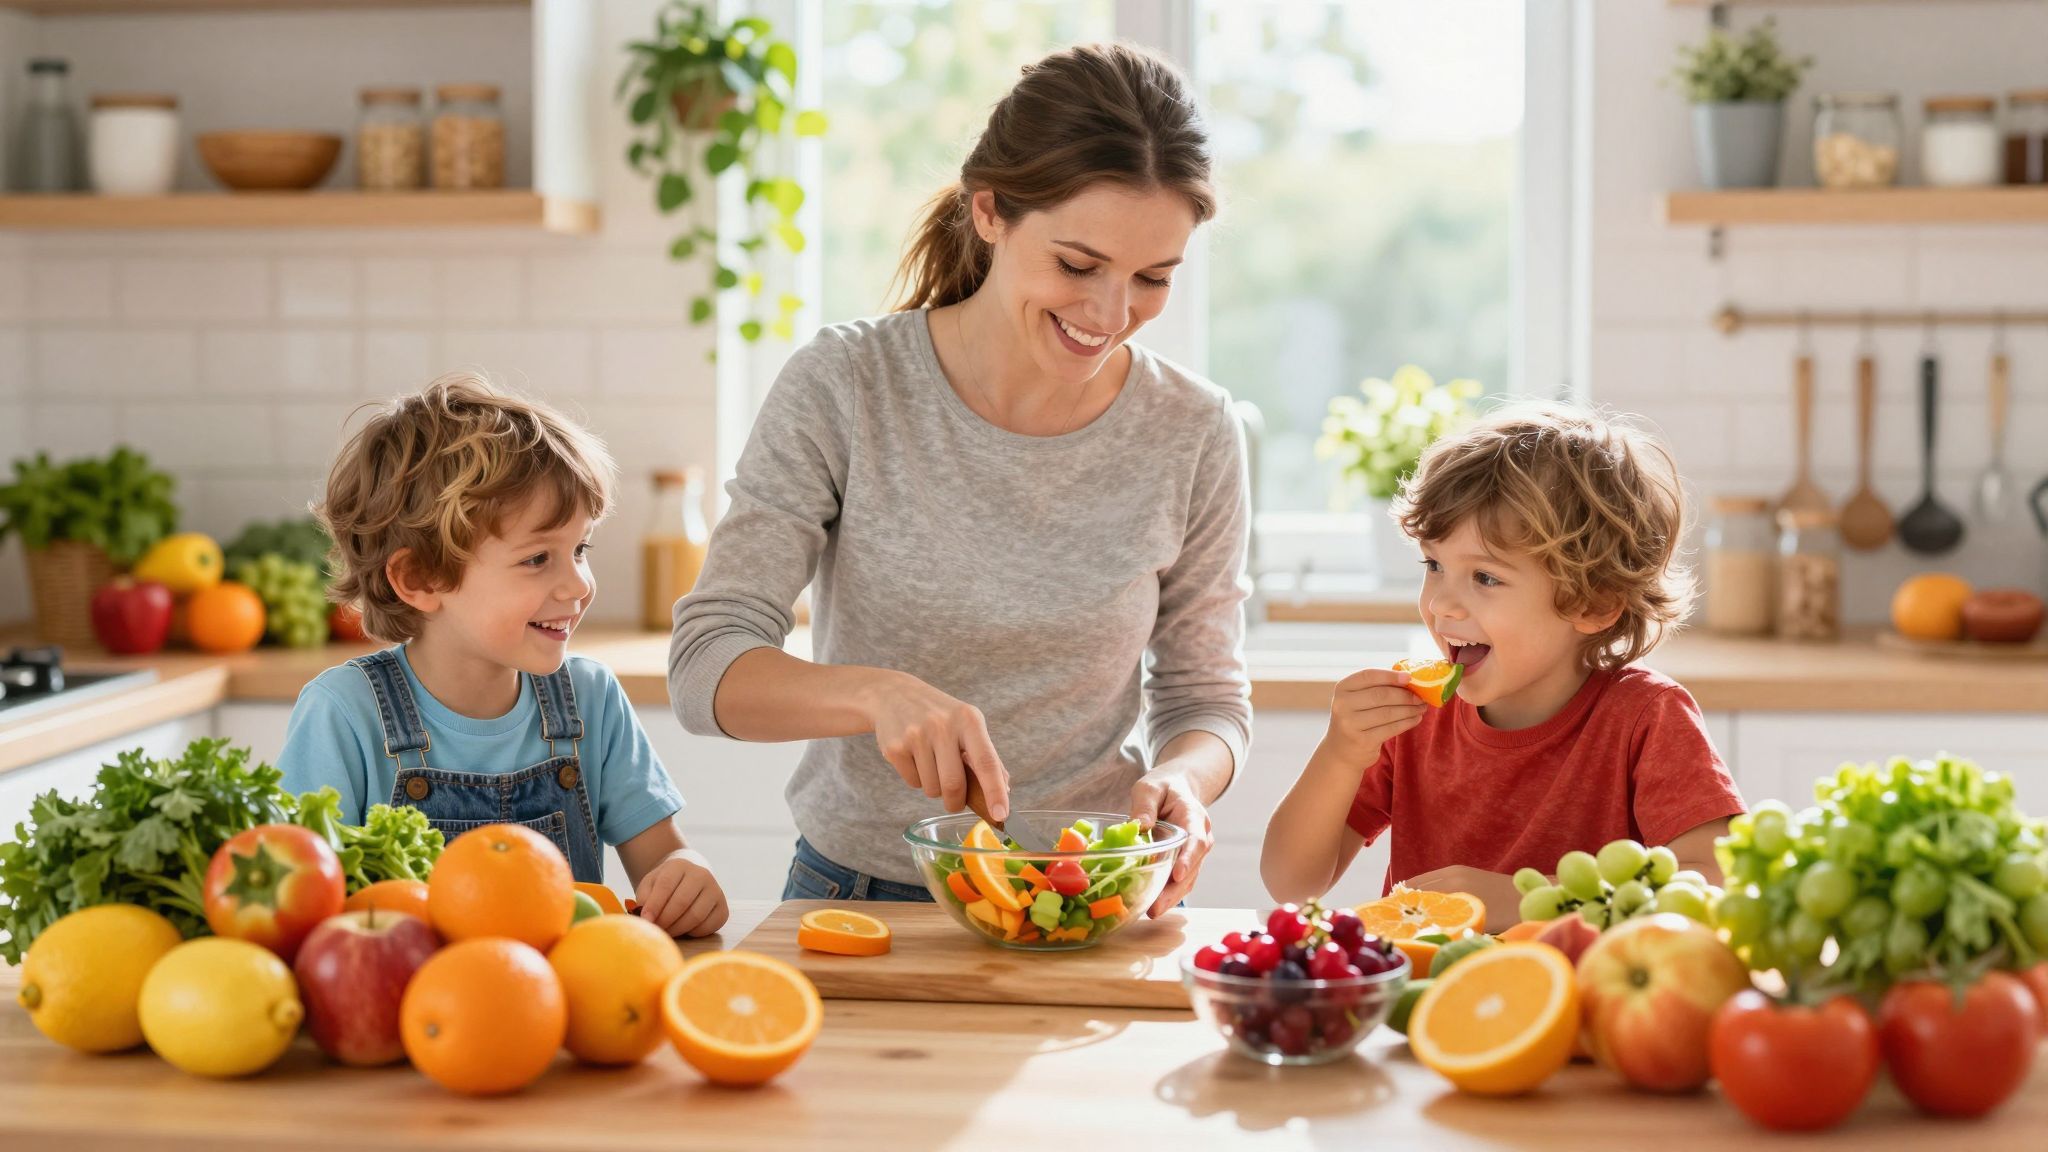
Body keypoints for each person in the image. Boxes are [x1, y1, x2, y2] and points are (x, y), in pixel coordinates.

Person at [669, 44, 1250, 911]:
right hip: (862, 895)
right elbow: (704, 666)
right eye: (1078, 265)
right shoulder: (849, 384)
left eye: (1153, 278)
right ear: (989, 212)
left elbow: (1206, 696)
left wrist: (1185, 780)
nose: (1111, 313)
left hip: (1089, 894)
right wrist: (876, 694)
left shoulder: (1194, 428)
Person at [1261, 403, 1745, 928]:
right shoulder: (1412, 720)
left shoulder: (1647, 717)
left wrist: (1528, 899)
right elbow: (1291, 883)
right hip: (1431, 981)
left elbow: (1710, 881)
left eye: (1485, 578)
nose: (1441, 603)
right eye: (1434, 564)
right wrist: (1340, 753)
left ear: (1593, 603)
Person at [279, 371, 728, 937]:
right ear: (420, 578)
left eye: (580, 548)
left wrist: (688, 875)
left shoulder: (590, 700)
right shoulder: (344, 713)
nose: (579, 584)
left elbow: (664, 858)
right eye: (537, 559)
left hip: (564, 990)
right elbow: (299, 906)